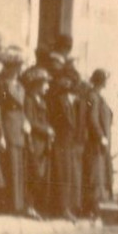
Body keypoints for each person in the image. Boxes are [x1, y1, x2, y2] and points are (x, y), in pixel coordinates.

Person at [0, 43, 29, 216]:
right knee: (5, 166)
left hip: (18, 128)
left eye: (19, 67)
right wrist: (0, 134)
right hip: (6, 128)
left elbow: (22, 107)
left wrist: (25, 121)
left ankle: (16, 205)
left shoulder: (18, 84)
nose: (19, 70)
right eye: (17, 67)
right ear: (9, 66)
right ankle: (0, 205)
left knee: (17, 166)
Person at [46, 67, 83, 221]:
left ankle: (69, 207)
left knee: (70, 175)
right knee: (62, 175)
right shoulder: (57, 99)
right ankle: (62, 208)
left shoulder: (73, 102)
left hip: (70, 143)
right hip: (60, 141)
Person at [21, 65, 53, 219]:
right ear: (37, 84)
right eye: (45, 83)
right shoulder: (29, 100)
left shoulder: (41, 100)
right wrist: (45, 130)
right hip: (34, 142)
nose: (47, 87)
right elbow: (30, 121)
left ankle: (37, 207)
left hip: (43, 144)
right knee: (33, 174)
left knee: (41, 175)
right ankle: (29, 206)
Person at [81, 69, 113, 219]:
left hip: (100, 143)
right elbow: (92, 119)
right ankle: (91, 208)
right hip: (94, 143)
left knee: (99, 174)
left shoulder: (97, 96)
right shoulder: (93, 96)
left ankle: (93, 207)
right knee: (94, 175)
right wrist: (100, 136)